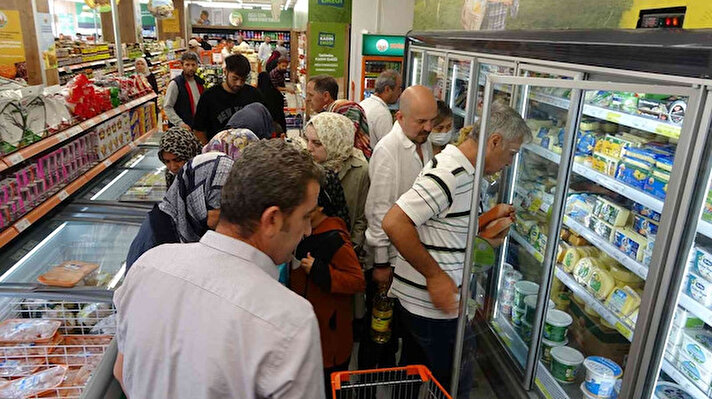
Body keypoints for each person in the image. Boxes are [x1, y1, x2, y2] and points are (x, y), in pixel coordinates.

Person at [114, 140, 325, 398]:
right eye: (305, 217)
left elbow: (121, 371)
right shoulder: (289, 320)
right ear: (272, 220)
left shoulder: (148, 266)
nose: (307, 231)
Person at [382, 102, 530, 397]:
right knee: (451, 387)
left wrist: (488, 218)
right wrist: (436, 277)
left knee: (412, 380)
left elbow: (446, 224)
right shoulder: (453, 173)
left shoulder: (466, 170)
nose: (510, 163)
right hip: (430, 310)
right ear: (495, 141)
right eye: (511, 153)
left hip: (430, 306)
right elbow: (395, 222)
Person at [359, 85, 437, 370]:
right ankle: (366, 389)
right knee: (378, 334)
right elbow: (378, 212)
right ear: (400, 117)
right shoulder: (388, 151)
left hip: (410, 258)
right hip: (389, 263)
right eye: (421, 121)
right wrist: (381, 264)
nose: (429, 127)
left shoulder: (423, 143)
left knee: (397, 335)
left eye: (432, 120)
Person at [290, 169, 366, 396]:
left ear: (319, 206)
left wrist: (319, 271)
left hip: (330, 335)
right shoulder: (308, 230)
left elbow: (356, 281)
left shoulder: (334, 238)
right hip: (313, 327)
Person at [125, 152, 234, 269]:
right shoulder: (158, 236)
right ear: (197, 194)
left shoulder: (185, 221)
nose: (172, 166)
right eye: (216, 206)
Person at [304, 112, 369, 254]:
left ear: (335, 141)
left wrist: (350, 250)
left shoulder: (360, 170)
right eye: (307, 140)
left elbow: (361, 218)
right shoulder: (306, 167)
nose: (309, 148)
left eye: (317, 143)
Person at [193, 54, 265, 143]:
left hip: (249, 152)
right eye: (235, 78)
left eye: (243, 80)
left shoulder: (254, 95)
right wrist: (207, 151)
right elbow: (199, 130)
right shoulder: (209, 96)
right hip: (218, 151)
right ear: (225, 72)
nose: (239, 83)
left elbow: (264, 125)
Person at [360, 69, 402, 149]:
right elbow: (389, 148)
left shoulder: (363, 103)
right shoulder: (383, 114)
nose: (400, 92)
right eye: (398, 88)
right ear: (387, 89)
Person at [163, 52, 204, 130]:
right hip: (182, 130)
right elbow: (168, 107)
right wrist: (180, 123)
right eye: (187, 65)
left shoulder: (200, 82)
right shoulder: (176, 84)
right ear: (182, 66)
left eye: (193, 65)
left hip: (197, 126)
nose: (190, 68)